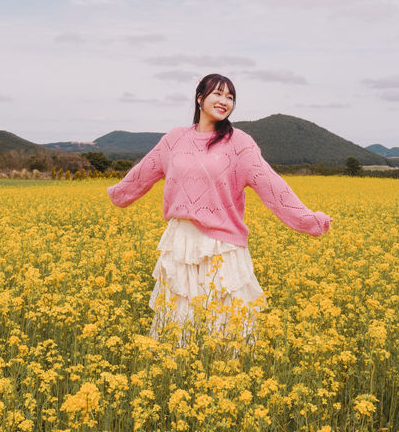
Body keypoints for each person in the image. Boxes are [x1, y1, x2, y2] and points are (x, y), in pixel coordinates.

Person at [107, 73, 331, 335]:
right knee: (178, 322)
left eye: (230, 97)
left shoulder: (240, 144)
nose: (225, 101)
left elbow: (271, 185)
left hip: (223, 247)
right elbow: (144, 172)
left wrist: (308, 220)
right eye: (218, 93)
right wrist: (118, 194)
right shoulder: (174, 139)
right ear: (200, 98)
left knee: (225, 328)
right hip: (181, 245)